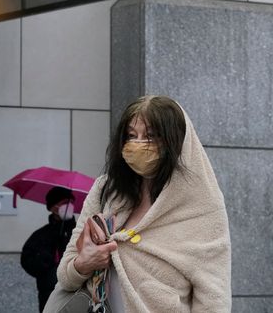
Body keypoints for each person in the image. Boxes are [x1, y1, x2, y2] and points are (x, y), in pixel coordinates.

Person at [53, 95, 232, 312]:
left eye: (150, 136)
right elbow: (65, 276)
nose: (138, 144)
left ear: (175, 142)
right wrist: (84, 264)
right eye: (131, 135)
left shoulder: (203, 207)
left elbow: (214, 300)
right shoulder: (105, 191)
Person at [21, 186, 77, 312]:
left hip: (76, 293)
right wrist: (44, 262)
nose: (69, 206)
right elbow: (27, 260)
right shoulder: (41, 235)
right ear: (53, 208)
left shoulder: (79, 232)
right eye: (64, 203)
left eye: (71, 203)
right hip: (49, 295)